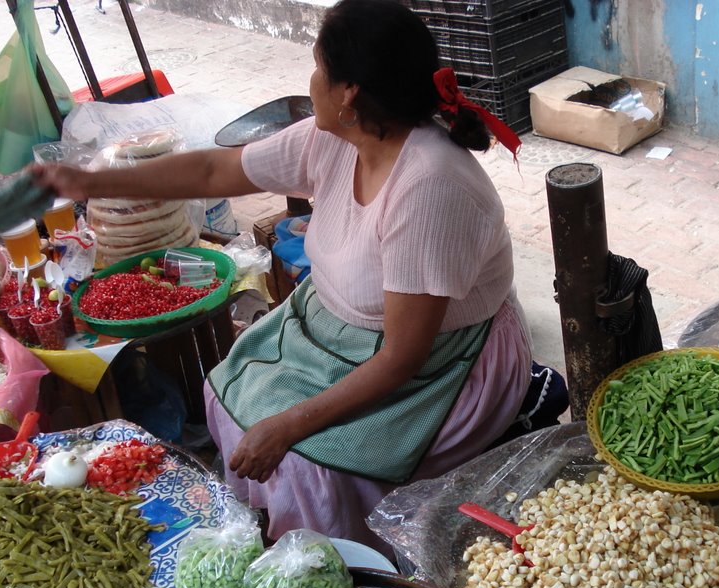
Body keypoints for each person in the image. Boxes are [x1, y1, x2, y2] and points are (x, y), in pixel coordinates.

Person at [32, 0, 532, 553]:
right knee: (226, 392)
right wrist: (87, 182)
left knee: (307, 464)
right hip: (337, 328)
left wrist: (291, 425)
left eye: (318, 67)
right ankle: (275, 536)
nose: (311, 81)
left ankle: (338, 565)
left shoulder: (429, 187)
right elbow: (213, 169)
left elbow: (401, 357)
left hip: (441, 361)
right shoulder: (336, 138)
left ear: (349, 91)